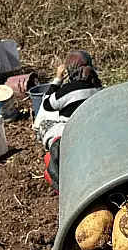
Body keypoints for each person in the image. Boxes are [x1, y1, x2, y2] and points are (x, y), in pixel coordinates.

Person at [38, 49, 104, 191]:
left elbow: (47, 104)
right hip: (94, 131)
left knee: (44, 124)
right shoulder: (98, 87)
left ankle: (53, 150)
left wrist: (58, 79)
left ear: (70, 69)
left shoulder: (69, 90)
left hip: (69, 134)